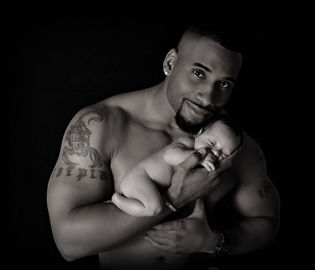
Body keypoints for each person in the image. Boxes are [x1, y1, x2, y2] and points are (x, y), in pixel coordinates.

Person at [47, 21, 280, 270]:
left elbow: (266, 222)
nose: (208, 97)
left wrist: (213, 242)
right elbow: (68, 243)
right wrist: (175, 198)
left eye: (224, 84)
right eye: (199, 73)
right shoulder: (100, 125)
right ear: (170, 63)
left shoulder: (232, 146)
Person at [111, 116, 243, 217]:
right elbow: (169, 156)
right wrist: (197, 158)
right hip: (140, 179)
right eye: (211, 142)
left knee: (158, 206)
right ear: (199, 132)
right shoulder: (186, 143)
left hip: (150, 187)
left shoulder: (207, 168)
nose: (215, 152)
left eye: (223, 153)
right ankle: (117, 200)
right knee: (154, 207)